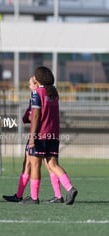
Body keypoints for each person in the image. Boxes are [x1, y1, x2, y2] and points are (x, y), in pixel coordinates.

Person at [21, 66, 78, 205]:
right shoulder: (54, 93)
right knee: (53, 164)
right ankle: (70, 188)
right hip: (53, 134)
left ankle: (34, 198)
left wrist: (32, 137)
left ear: (38, 78)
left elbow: (35, 116)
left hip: (41, 134)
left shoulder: (37, 93)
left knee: (35, 166)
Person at [3, 76, 64, 203]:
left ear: (36, 83)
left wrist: (28, 119)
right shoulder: (51, 94)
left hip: (37, 135)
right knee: (49, 165)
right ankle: (58, 195)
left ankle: (21, 196)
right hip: (48, 134)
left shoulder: (36, 95)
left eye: (30, 83)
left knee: (30, 165)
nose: (29, 85)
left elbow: (31, 116)